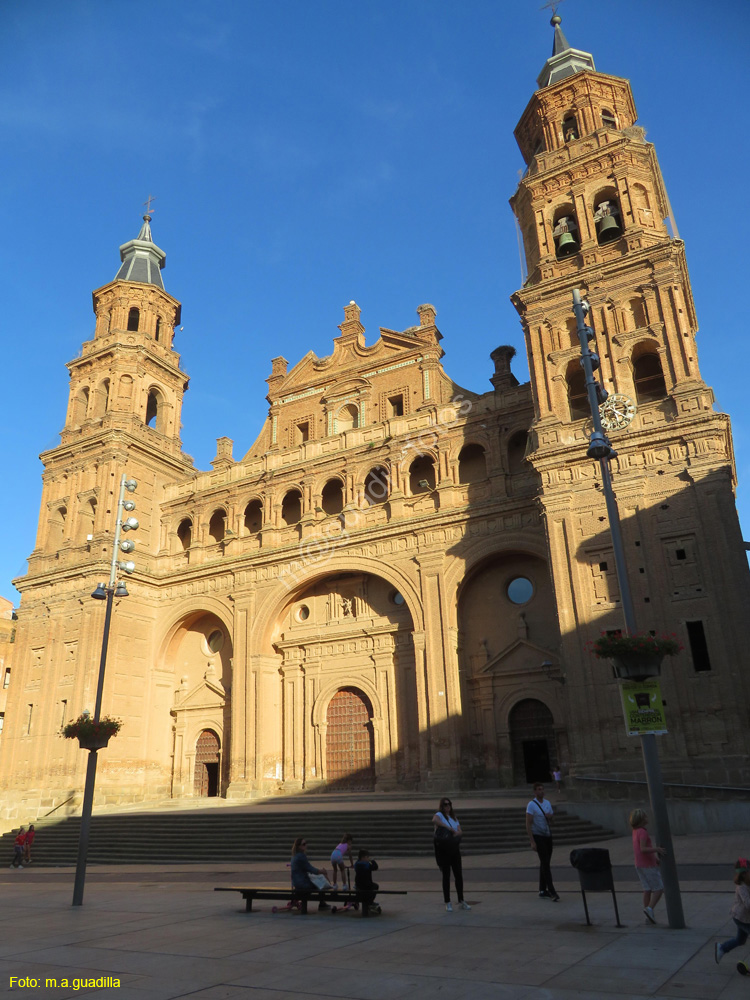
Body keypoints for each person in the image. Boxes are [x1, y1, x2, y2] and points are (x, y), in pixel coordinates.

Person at [432, 797, 471, 912]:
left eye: (449, 804)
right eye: (445, 804)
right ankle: (448, 902)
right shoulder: (439, 815)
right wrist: (448, 828)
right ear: (441, 806)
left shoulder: (454, 817)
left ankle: (461, 899)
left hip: (454, 849)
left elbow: (460, 830)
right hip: (444, 851)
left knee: (458, 875)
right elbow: (434, 820)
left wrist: (456, 833)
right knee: (446, 877)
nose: (447, 806)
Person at [629, 808, 665, 923]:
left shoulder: (635, 831)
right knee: (659, 888)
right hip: (648, 865)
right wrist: (657, 849)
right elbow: (643, 849)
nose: (647, 818)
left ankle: (647, 914)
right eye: (645, 816)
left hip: (639, 864)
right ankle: (649, 909)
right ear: (641, 819)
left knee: (647, 889)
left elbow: (639, 850)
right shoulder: (643, 832)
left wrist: (654, 858)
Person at [526, 782, 559, 901]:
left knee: (545, 862)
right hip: (538, 836)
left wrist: (551, 817)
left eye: (542, 789)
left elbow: (553, 821)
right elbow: (528, 824)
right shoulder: (531, 805)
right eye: (539, 789)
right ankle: (552, 891)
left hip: (547, 835)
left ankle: (542, 890)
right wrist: (532, 841)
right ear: (535, 792)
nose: (542, 791)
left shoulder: (547, 803)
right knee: (545, 863)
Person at [715, 859, 750, 966]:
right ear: (743, 874)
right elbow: (748, 904)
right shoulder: (741, 887)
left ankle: (721, 948)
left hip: (744, 918)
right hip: (741, 918)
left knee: (740, 940)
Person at [290, 837, 331, 911]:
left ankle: (322, 902)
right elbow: (310, 868)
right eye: (304, 844)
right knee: (321, 883)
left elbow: (307, 868)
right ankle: (322, 903)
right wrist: (322, 871)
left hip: (296, 883)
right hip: (303, 884)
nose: (306, 845)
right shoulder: (301, 856)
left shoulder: (294, 856)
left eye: (306, 843)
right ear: (299, 846)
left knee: (318, 879)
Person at [354, 848, 380, 914]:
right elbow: (375, 867)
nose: (368, 859)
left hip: (359, 885)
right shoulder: (366, 865)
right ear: (363, 857)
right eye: (367, 857)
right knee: (375, 886)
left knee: (372, 886)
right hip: (367, 885)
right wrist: (372, 861)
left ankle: (370, 902)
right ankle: (370, 902)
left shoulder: (357, 864)